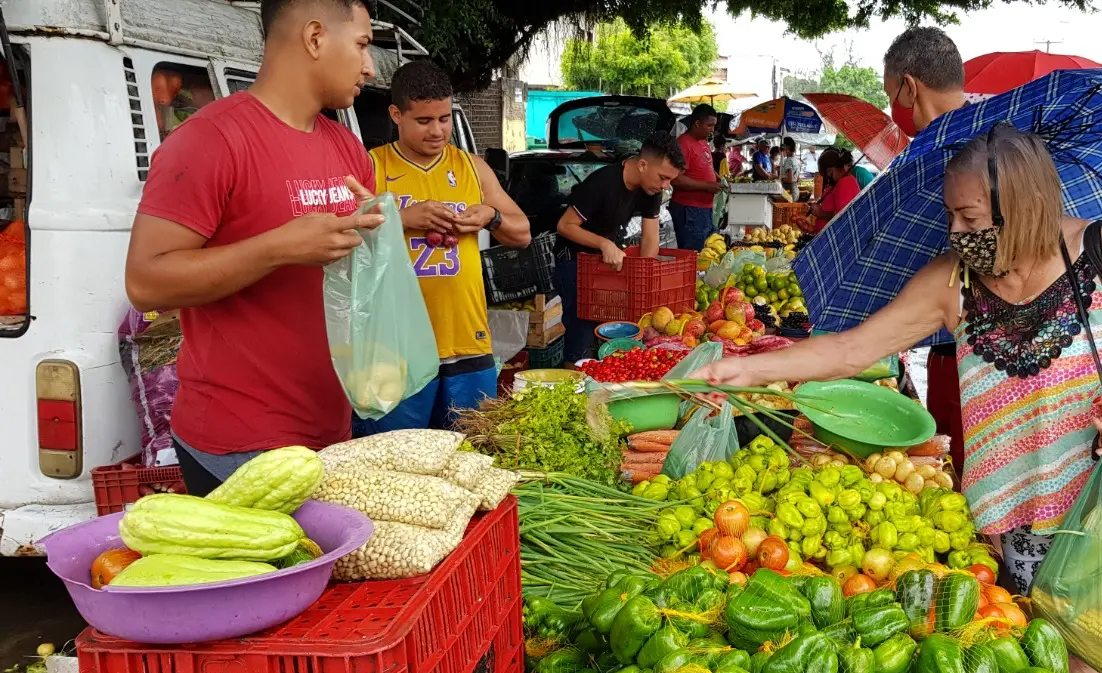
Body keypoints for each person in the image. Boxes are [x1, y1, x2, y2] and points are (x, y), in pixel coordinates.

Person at [694, 125, 1102, 673]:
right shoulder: (953, 283)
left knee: (1082, 671)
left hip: (1096, 506)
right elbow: (852, 348)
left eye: (970, 219)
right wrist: (738, 370)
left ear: (1023, 204)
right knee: (1015, 667)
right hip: (1003, 518)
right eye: (951, 217)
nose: (955, 232)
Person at [124, 0, 384, 494]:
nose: (369, 67)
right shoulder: (209, 140)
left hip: (332, 429)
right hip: (236, 444)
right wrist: (277, 248)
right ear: (313, 38)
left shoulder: (347, 148)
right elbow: (145, 283)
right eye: (362, 45)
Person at [360, 60, 530, 434]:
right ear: (396, 114)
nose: (437, 131)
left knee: (469, 455)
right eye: (424, 121)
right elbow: (342, 237)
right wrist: (403, 218)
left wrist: (491, 216)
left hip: (466, 342)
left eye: (444, 118)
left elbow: (522, 233)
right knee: (396, 463)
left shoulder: (471, 167)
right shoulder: (370, 167)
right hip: (395, 350)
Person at [882, 26, 970, 477]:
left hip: (964, 349)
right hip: (962, 343)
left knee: (966, 470)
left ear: (911, 87)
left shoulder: (948, 154)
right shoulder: (1006, 139)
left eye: (893, 96)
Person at [554, 132, 684, 362]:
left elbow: (650, 239)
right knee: (581, 335)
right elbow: (565, 225)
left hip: (605, 266)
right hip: (574, 263)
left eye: (670, 181)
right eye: (663, 177)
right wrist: (604, 243)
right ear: (643, 165)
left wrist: (645, 280)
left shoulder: (651, 190)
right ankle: (572, 380)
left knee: (611, 331)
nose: (666, 185)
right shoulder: (602, 183)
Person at [670, 104, 725, 251]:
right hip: (689, 210)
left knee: (708, 251)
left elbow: (706, 166)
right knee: (694, 254)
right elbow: (675, 179)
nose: (712, 129)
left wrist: (717, 178)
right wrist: (707, 186)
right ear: (697, 123)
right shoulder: (683, 143)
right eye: (710, 125)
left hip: (705, 208)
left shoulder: (703, 142)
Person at [809, 148, 860, 230]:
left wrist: (820, 213)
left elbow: (843, 217)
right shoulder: (839, 183)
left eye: (827, 177)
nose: (828, 180)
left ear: (830, 170)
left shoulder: (845, 183)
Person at [778, 137, 802, 201]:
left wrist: (780, 179)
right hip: (795, 190)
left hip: (789, 191)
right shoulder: (796, 160)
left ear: (786, 147)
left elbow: (790, 179)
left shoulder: (788, 160)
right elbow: (798, 179)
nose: (782, 150)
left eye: (783, 147)